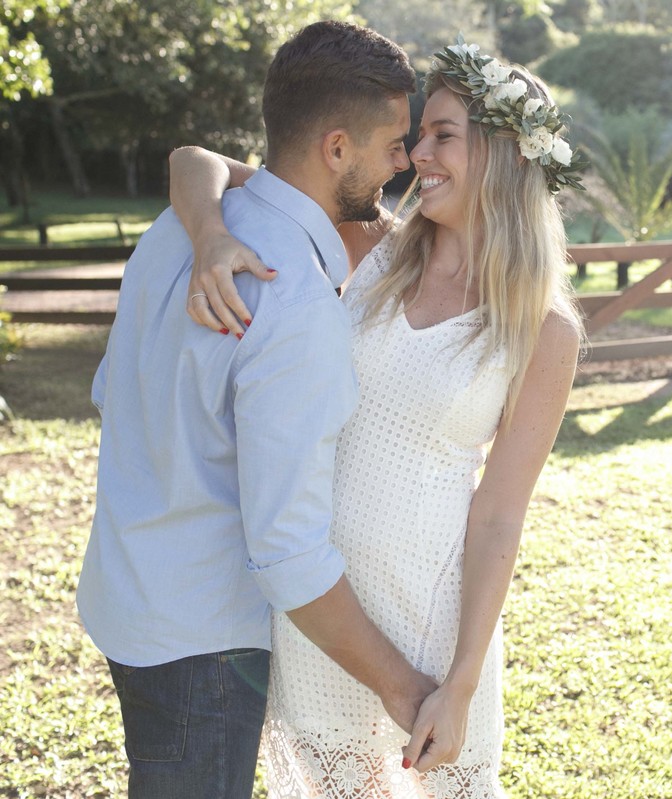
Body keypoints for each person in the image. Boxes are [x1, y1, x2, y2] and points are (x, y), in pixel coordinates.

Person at [168, 39, 586, 798]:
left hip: (430, 627)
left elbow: (497, 516)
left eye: (443, 135)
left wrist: (458, 683)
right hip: (324, 612)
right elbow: (195, 161)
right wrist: (210, 236)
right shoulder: (377, 248)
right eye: (420, 133)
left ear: (502, 155)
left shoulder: (542, 327)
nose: (415, 153)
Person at [77, 21, 438, 799]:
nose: (403, 162)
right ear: (336, 148)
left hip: (123, 594)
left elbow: (111, 391)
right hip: (201, 646)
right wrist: (405, 687)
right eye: (392, 144)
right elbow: (290, 556)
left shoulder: (176, 229)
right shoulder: (298, 304)